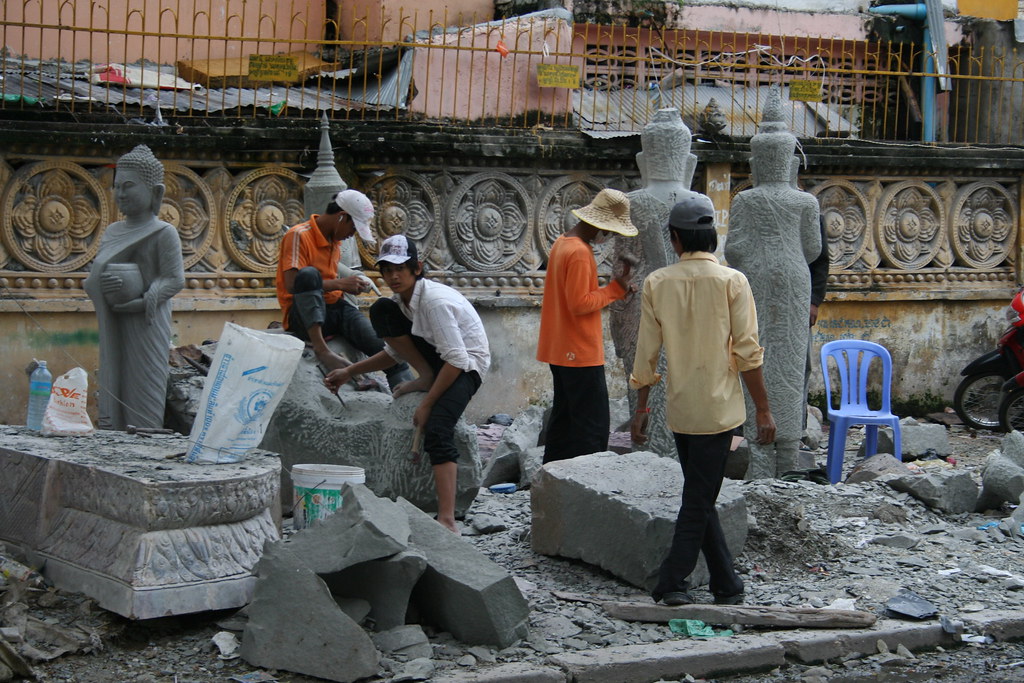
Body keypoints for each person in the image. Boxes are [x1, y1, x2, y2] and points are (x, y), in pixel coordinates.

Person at [630, 196, 776, 606]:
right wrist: (763, 408)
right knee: (699, 497)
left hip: (681, 410)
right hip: (721, 412)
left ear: (675, 238)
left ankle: (726, 584)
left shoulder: (657, 283)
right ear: (711, 236)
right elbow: (749, 353)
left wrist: (641, 409)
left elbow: (646, 354)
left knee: (699, 494)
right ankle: (673, 583)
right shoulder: (733, 282)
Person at [323, 235, 489, 533]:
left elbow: (458, 359)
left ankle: (448, 519)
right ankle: (425, 376)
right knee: (381, 309)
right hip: (442, 360)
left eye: (400, 269)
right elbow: (394, 353)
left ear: (417, 268)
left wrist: (427, 404)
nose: (393, 276)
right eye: (387, 270)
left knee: (438, 428)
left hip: (466, 367)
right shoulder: (403, 302)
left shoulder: (434, 302)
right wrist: (349, 372)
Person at [84, 144, 185, 430]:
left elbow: (174, 280)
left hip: (148, 323)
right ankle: (114, 436)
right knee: (116, 378)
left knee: (143, 384)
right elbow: (97, 276)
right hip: (116, 320)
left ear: (155, 192)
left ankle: (144, 439)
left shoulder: (165, 232)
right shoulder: (114, 231)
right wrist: (103, 285)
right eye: (117, 187)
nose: (121, 194)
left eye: (129, 186)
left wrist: (142, 299)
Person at [537, 188, 638, 464]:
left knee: (565, 422)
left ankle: (554, 479)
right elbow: (580, 304)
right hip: (579, 353)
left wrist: (616, 287)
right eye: (611, 231)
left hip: (561, 350)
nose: (610, 237)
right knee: (591, 428)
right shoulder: (580, 253)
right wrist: (617, 288)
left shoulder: (563, 243)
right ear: (599, 225)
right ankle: (588, 484)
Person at [275, 189, 411, 391]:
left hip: (334, 309)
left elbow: (331, 284)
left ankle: (408, 402)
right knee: (309, 274)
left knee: (389, 351)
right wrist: (340, 284)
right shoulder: (298, 235)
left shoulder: (335, 242)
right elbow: (294, 283)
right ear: (341, 218)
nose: (351, 235)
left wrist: (351, 286)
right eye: (353, 228)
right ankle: (322, 350)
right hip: (302, 315)